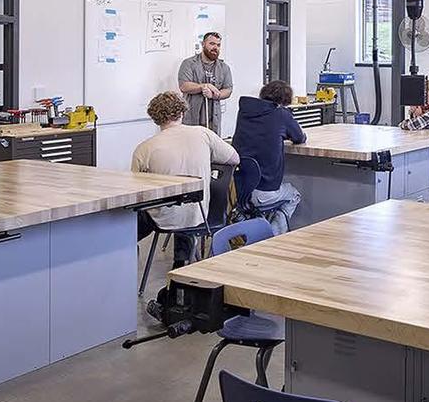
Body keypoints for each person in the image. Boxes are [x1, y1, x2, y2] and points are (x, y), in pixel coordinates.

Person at [131, 91, 241, 267]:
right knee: (184, 207)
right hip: (200, 214)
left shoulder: (144, 149)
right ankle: (181, 263)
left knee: (126, 223)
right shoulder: (203, 134)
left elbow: (135, 193)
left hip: (163, 218)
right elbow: (235, 159)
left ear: (155, 118)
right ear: (182, 112)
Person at [232, 80, 308, 232]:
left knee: (255, 203)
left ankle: (251, 225)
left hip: (237, 190)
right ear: (283, 101)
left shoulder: (245, 112)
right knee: (293, 195)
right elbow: (299, 138)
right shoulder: (281, 114)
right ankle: (270, 236)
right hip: (264, 193)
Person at [177, 31, 234, 132]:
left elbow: (228, 90)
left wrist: (214, 95)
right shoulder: (188, 63)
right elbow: (184, 86)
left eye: (218, 45)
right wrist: (204, 86)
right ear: (203, 44)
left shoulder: (224, 68)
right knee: (192, 144)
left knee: (212, 145)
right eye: (212, 44)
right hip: (192, 117)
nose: (215, 48)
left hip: (213, 118)